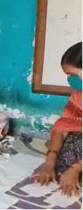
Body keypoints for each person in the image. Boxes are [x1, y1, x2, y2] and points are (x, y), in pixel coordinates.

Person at [33, 42, 82, 197]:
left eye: (72, 75)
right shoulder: (78, 95)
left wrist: (75, 168)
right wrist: (49, 162)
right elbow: (62, 127)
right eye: (67, 75)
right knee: (63, 152)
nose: (69, 79)